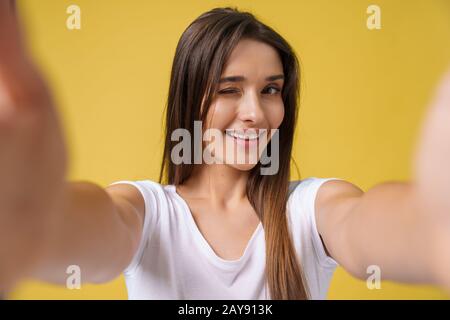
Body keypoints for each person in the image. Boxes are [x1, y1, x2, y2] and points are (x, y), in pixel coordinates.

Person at [0, 2, 449, 300]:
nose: (255, 112)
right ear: (190, 97)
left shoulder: (311, 210)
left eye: (271, 90)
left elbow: (369, 225)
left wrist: (433, 226)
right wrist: (26, 220)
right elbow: (90, 232)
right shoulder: (147, 212)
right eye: (229, 90)